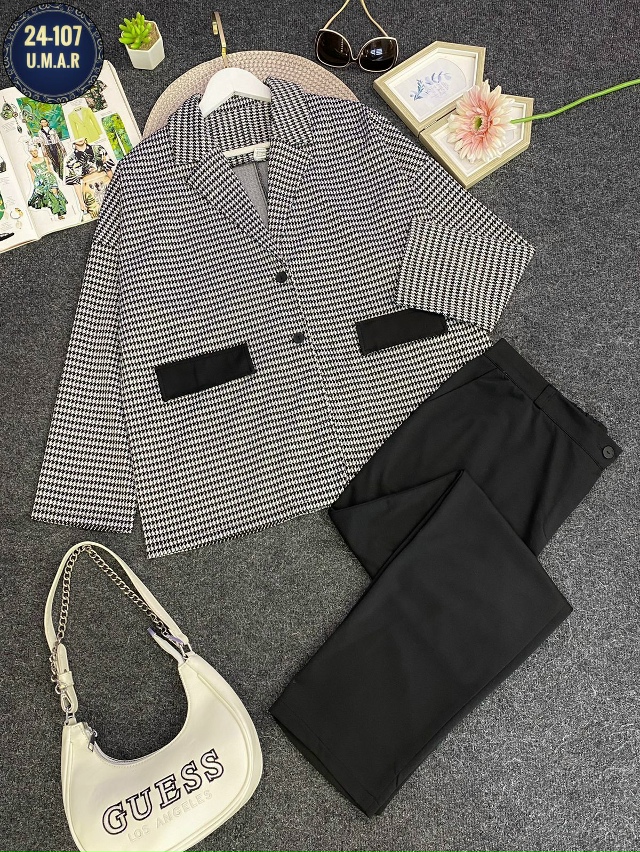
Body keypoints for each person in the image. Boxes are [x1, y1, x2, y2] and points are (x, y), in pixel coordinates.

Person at [26, 142, 67, 219]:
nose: (34, 152)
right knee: (48, 196)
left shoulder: (45, 159)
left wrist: (55, 178)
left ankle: (60, 213)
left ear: (37, 150)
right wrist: (35, 185)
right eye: (32, 151)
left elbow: (49, 169)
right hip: (40, 181)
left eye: (35, 150)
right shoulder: (29, 163)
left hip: (49, 177)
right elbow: (32, 174)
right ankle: (57, 212)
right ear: (30, 152)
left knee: (55, 193)